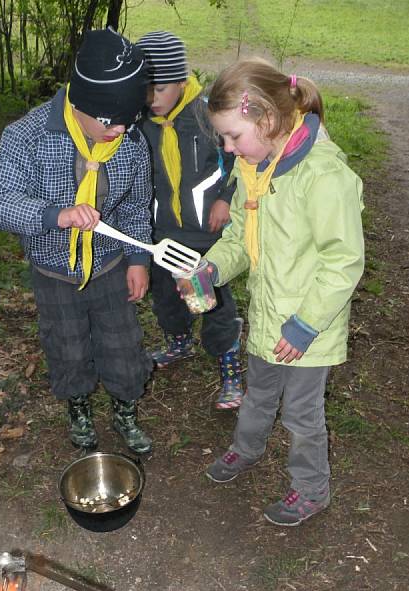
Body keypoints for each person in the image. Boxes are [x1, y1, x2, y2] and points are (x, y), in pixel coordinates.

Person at [197, 58, 364, 525]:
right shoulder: (254, 168)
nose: (229, 149)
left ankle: (311, 488)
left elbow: (343, 260)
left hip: (309, 329)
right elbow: (237, 239)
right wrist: (212, 267)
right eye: (224, 139)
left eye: (233, 136)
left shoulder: (323, 176)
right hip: (270, 316)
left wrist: (307, 323)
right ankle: (245, 449)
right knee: (258, 394)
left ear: (267, 120)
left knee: (301, 413)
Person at [0, 28, 155, 455]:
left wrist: (137, 259)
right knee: (68, 346)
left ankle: (125, 409)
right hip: (53, 270)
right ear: (81, 105)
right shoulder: (29, 136)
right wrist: (54, 216)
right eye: (111, 122)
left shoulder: (129, 142)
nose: (120, 132)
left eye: (129, 121)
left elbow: (134, 207)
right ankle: (78, 408)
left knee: (122, 344)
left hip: (110, 265)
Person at [135, 31, 244, 410]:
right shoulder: (138, 121)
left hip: (206, 235)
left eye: (159, 89)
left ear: (181, 81)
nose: (151, 98)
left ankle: (229, 370)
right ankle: (178, 343)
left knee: (212, 302)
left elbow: (240, 158)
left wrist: (227, 199)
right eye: (144, 89)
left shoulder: (207, 114)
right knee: (167, 297)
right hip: (162, 233)